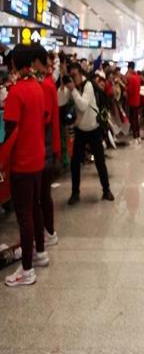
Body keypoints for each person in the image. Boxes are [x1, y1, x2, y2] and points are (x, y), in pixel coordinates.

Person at [3, 44, 47, 287]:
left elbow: (10, 131)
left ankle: (27, 270)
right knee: (35, 207)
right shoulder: (38, 87)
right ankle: (40, 252)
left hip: (22, 162)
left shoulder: (16, 92)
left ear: (14, 64)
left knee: (24, 215)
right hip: (37, 158)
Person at [59, 63, 114, 205]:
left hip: (93, 129)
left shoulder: (87, 85)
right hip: (80, 130)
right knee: (75, 163)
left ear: (80, 73)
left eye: (75, 75)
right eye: (71, 76)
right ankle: (75, 193)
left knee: (99, 161)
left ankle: (106, 190)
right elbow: (60, 101)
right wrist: (63, 87)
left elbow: (82, 105)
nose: (73, 78)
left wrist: (73, 90)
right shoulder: (72, 87)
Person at [32, 45, 61, 247]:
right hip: (48, 147)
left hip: (45, 148)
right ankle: (48, 231)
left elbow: (45, 118)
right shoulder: (48, 82)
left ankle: (48, 232)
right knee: (43, 194)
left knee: (41, 195)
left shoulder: (46, 85)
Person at [126, 61, 141, 144]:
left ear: (130, 68)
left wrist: (126, 89)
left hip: (132, 102)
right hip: (137, 101)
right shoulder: (137, 76)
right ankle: (138, 136)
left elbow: (130, 91)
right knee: (136, 120)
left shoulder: (131, 78)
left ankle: (135, 137)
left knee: (133, 120)